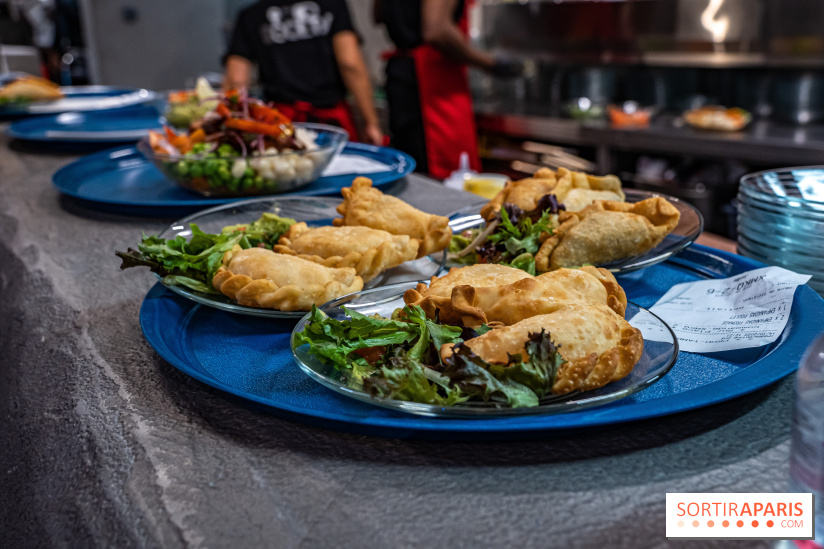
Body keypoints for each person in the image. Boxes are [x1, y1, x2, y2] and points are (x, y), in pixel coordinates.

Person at [375, 0, 521, 179]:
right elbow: (437, 30)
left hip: (401, 72)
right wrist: (490, 63)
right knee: (445, 175)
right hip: (431, 80)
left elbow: (377, 15)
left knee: (412, 175)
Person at [224, 0, 383, 145]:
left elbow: (236, 80)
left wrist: (229, 129)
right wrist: (371, 122)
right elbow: (350, 65)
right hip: (333, 121)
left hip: (281, 124)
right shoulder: (332, 5)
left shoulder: (251, 15)